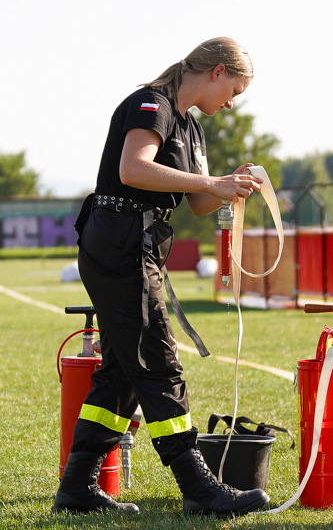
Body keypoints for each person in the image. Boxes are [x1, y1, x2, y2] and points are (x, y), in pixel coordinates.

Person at [53, 37, 269, 517]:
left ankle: (76, 489)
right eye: (233, 90)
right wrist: (212, 182)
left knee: (122, 373)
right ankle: (198, 487)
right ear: (215, 71)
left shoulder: (191, 128)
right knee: (157, 359)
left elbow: (198, 202)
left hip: (135, 244)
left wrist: (230, 187)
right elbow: (134, 169)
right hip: (118, 241)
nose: (231, 103)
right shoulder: (151, 104)